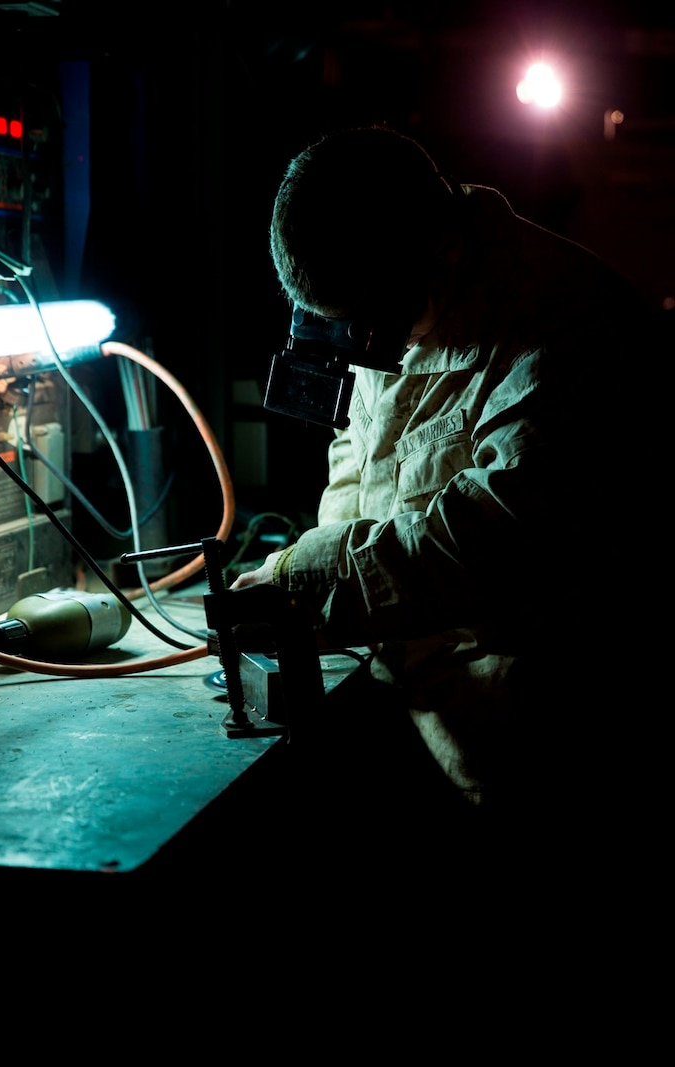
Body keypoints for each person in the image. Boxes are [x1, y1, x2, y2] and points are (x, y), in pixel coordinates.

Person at [230, 124, 664, 870]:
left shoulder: (569, 327)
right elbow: (360, 447)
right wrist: (313, 602)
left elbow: (492, 536)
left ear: (438, 249)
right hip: (422, 732)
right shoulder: (388, 295)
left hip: (542, 777)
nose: (357, 344)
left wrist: (307, 575)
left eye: (362, 322)